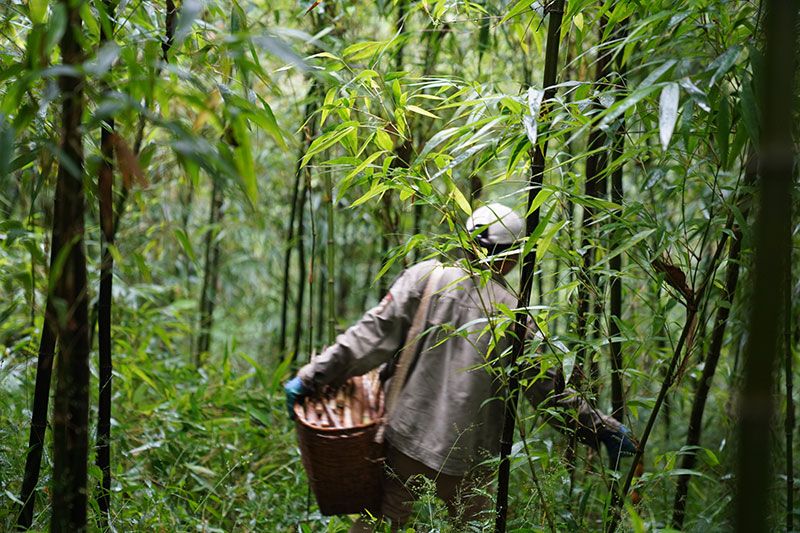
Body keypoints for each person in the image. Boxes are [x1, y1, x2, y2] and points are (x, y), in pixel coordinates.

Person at [285, 202, 637, 531]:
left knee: (382, 521)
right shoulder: (517, 314)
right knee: (474, 525)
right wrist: (601, 429)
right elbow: (548, 393)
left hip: (404, 438)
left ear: (465, 240)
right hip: (470, 457)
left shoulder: (425, 278)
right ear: (512, 258)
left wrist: (310, 376)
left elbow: (368, 337)